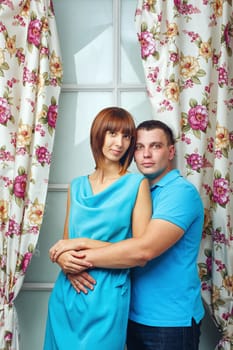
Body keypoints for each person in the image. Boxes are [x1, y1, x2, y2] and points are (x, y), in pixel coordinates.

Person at [51, 120, 205, 350]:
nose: (146, 154)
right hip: (130, 313)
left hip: (168, 320)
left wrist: (77, 249)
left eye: (155, 146)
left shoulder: (179, 193)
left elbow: (143, 251)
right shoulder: (138, 190)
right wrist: (65, 260)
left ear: (171, 151)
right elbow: (116, 243)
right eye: (140, 147)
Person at [43, 107, 152, 350]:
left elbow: (141, 251)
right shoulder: (77, 185)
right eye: (112, 133)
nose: (119, 143)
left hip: (107, 294)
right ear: (98, 134)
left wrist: (82, 243)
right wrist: (64, 261)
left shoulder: (136, 184)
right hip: (68, 290)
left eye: (126, 136)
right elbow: (65, 243)